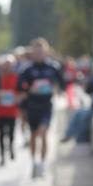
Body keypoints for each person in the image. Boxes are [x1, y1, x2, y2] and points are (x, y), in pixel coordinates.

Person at [17, 37, 64, 178]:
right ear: (32, 53)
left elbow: (62, 84)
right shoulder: (27, 69)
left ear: (46, 52)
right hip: (32, 106)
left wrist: (56, 89)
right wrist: (30, 89)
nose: (39, 54)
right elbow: (20, 87)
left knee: (43, 133)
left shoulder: (53, 67)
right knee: (33, 136)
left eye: (41, 52)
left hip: (46, 106)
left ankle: (43, 164)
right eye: (36, 52)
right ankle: (34, 162)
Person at [0, 54, 20, 164]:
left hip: (12, 111)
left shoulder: (16, 77)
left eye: (9, 65)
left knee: (11, 133)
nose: (7, 67)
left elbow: (21, 92)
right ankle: (2, 156)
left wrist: (17, 98)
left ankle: (10, 148)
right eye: (5, 65)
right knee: (1, 134)